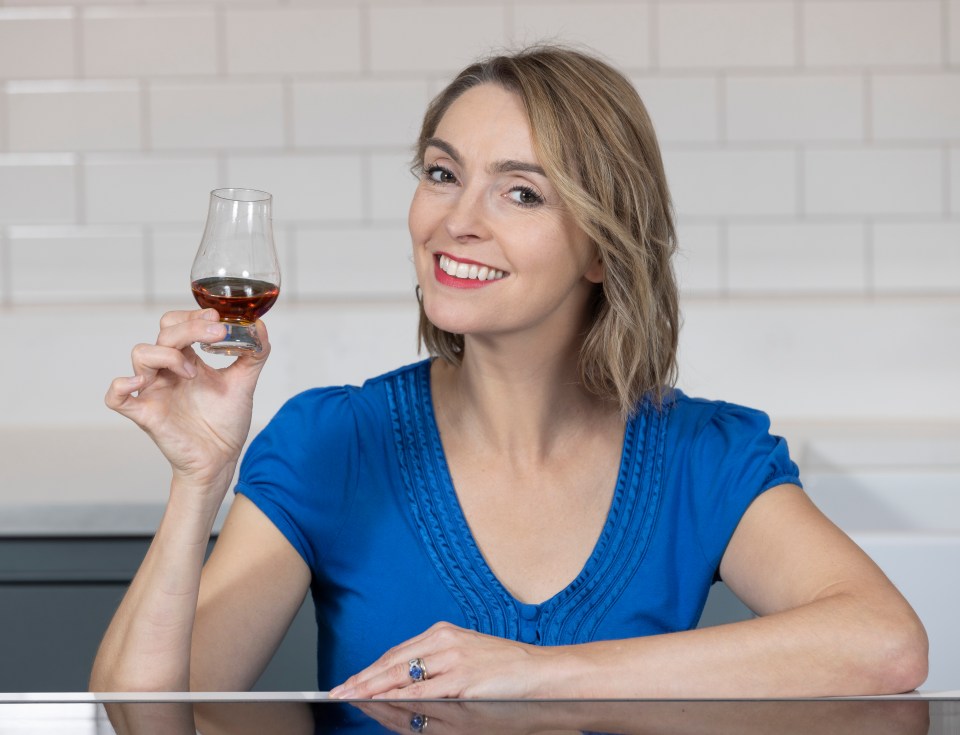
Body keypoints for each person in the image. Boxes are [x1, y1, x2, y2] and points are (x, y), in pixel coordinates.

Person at [90, 45, 927, 699]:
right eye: (442, 173)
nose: (457, 221)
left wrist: (537, 673)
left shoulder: (702, 454)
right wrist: (198, 480)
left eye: (521, 193)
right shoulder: (332, 442)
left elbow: (883, 644)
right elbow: (148, 711)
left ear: (604, 245)